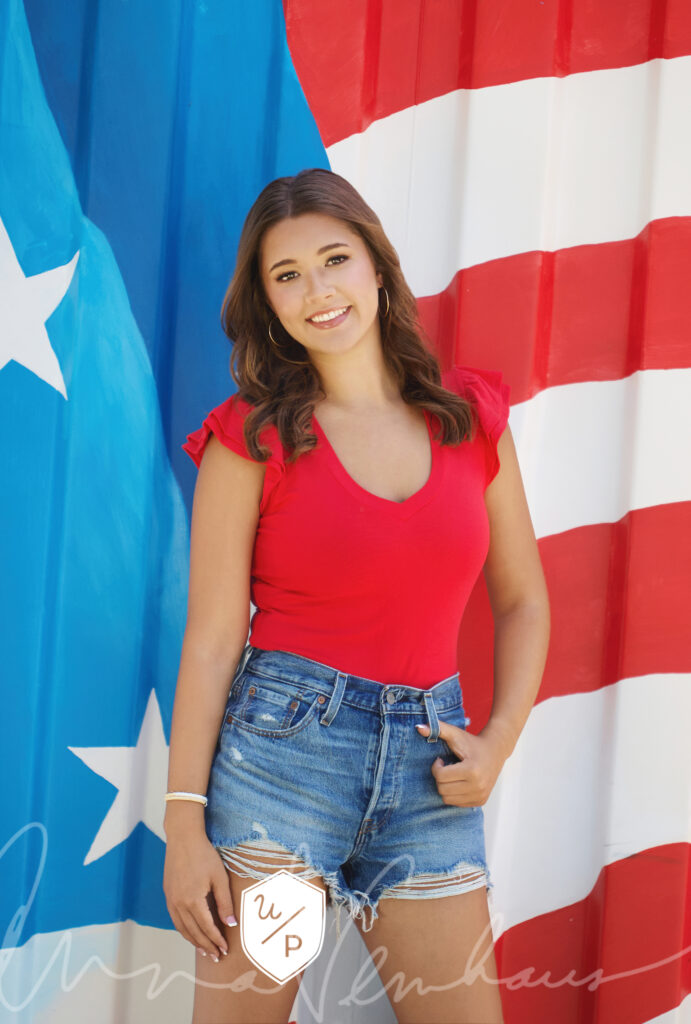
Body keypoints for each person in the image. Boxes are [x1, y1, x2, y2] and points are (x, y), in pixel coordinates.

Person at [163, 167, 550, 1024]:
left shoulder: (467, 419)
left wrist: (496, 743)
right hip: (282, 771)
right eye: (288, 275)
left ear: (376, 265)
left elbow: (523, 600)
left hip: (430, 774)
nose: (318, 291)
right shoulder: (250, 439)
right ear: (268, 304)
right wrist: (183, 825)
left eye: (334, 259)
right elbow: (213, 639)